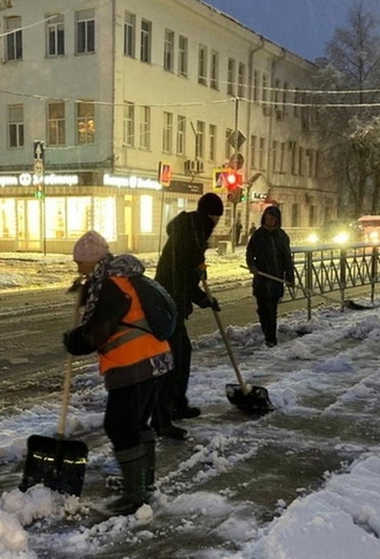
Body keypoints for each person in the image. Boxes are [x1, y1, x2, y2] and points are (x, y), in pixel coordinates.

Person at [63, 231, 173, 515]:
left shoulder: (109, 284)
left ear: (92, 260)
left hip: (134, 364)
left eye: (80, 263)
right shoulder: (121, 277)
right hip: (155, 359)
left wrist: (75, 340)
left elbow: (98, 331)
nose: (78, 268)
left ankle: (135, 493)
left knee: (120, 426)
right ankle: (142, 483)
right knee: (137, 424)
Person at [153, 192, 223, 440]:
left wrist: (201, 287)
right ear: (212, 215)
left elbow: (186, 272)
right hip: (168, 302)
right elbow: (183, 275)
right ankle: (162, 416)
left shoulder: (192, 228)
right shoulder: (194, 232)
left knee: (181, 353)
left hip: (168, 300)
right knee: (172, 359)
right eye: (217, 216)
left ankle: (176, 404)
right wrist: (204, 296)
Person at [245, 205, 294, 348]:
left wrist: (289, 276)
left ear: (277, 220)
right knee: (262, 309)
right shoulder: (258, 235)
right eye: (267, 218)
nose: (269, 220)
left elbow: (286, 258)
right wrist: (252, 266)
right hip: (261, 278)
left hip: (275, 279)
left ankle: (271, 338)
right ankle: (267, 332)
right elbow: (249, 253)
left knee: (272, 309)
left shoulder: (282, 236)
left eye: (272, 218)